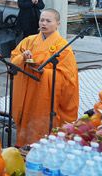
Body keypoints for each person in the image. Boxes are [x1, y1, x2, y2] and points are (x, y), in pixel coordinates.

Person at [10, 8, 79, 146]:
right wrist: (23, 58)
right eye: (42, 20)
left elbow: (68, 76)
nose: (44, 23)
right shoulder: (29, 41)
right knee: (27, 118)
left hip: (46, 95)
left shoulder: (63, 47)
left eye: (48, 21)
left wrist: (45, 73)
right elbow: (14, 59)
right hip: (28, 91)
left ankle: (45, 150)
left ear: (57, 24)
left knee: (43, 122)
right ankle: (23, 147)